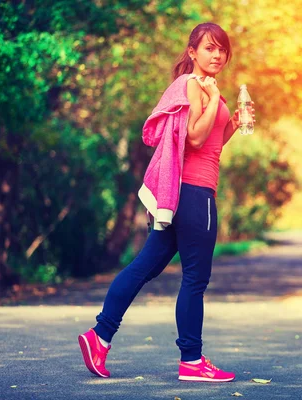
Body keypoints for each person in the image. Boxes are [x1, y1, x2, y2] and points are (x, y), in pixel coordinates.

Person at [77, 22, 254, 382]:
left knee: (144, 267)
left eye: (222, 49)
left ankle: (100, 336)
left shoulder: (202, 89)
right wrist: (209, 100)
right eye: (209, 48)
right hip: (196, 195)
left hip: (181, 194)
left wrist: (232, 122)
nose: (217, 55)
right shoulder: (196, 86)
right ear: (192, 52)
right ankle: (191, 360)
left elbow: (210, 144)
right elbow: (193, 137)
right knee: (195, 279)